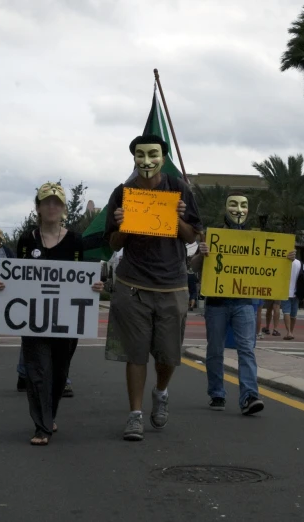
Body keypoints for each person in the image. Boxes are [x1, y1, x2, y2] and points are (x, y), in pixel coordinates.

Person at [104, 134, 202, 441]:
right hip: (132, 284)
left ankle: (161, 391)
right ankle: (135, 415)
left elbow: (191, 237)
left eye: (153, 154)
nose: (146, 161)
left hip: (172, 286)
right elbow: (113, 242)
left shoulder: (179, 188)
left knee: (167, 356)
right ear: (133, 158)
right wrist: (121, 224)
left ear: (163, 156)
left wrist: (176, 217)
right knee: (136, 355)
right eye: (140, 155)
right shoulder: (122, 193)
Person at [0, 183, 103, 445]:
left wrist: (95, 286)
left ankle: (49, 414)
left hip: (66, 322)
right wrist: (5, 284)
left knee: (59, 371)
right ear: (38, 207)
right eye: (46, 202)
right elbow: (18, 274)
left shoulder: (76, 241)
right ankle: (41, 427)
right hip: (34, 320)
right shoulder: (27, 240)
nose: (51, 207)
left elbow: (81, 277)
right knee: (37, 371)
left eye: (56, 202)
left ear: (64, 208)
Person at [191, 192, 292, 414]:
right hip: (216, 303)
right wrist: (202, 253)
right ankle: (217, 393)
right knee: (215, 350)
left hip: (244, 303)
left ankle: (249, 396)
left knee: (247, 349)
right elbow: (195, 266)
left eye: (244, 205)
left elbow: (269, 265)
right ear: (226, 208)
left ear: (249, 209)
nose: (239, 209)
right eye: (234, 204)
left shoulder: (257, 239)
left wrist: (285, 259)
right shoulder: (210, 236)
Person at [280, 253, 304, 340]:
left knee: (286, 312)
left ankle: (288, 332)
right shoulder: (299, 263)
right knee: (293, 314)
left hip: (285, 291)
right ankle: (291, 331)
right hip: (297, 292)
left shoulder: (282, 262)